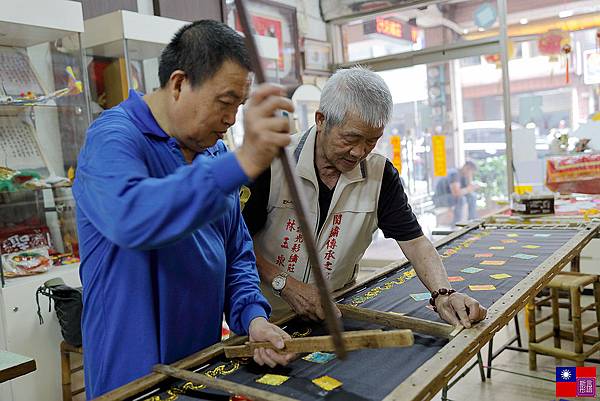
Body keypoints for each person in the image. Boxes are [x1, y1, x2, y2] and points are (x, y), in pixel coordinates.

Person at [73, 20, 294, 398]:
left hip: (201, 370)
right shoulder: (112, 139)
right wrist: (241, 163)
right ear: (178, 84)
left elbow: (235, 254)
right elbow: (133, 216)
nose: (230, 120)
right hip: (131, 378)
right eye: (224, 103)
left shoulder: (215, 153)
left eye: (238, 107)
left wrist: (253, 317)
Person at [242, 66, 487, 328]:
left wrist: (443, 293)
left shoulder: (379, 175)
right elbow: (235, 242)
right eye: (351, 138)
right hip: (263, 316)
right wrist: (284, 284)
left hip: (335, 310)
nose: (359, 152)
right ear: (321, 120)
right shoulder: (270, 163)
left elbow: (415, 242)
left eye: (372, 140)